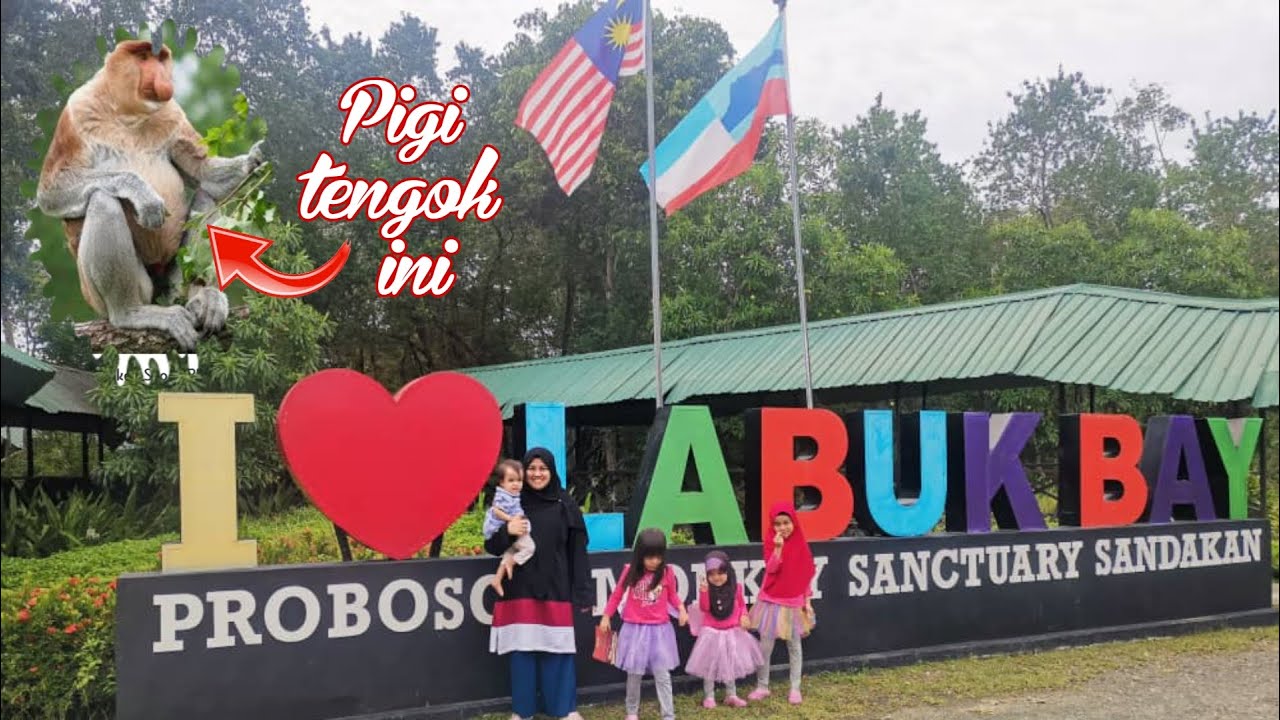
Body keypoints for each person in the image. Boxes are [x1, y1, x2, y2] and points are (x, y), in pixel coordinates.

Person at [485, 448, 591, 720]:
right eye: (531, 468)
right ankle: (523, 711)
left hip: (556, 588)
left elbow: (578, 551)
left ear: (552, 471)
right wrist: (507, 531)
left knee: (558, 649)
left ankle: (564, 709)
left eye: (542, 468)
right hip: (519, 589)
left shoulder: (565, 504)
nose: (536, 474)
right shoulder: (513, 503)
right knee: (522, 651)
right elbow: (492, 545)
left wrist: (583, 590)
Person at [599, 528, 688, 720]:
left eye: (658, 557)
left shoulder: (667, 572)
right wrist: (606, 616)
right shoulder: (630, 571)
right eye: (650, 557)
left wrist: (681, 609)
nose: (655, 561)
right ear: (640, 554)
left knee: (662, 675)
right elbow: (617, 595)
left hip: (660, 631)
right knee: (634, 674)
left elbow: (673, 595)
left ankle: (668, 714)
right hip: (635, 630)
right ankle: (632, 712)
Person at [747, 502, 816, 705]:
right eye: (777, 524)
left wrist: (807, 601)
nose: (782, 527)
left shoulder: (801, 543)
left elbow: (805, 575)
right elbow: (771, 569)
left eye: (786, 522)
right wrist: (778, 549)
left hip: (793, 603)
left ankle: (795, 688)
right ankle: (762, 686)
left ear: (794, 522)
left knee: (794, 646)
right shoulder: (771, 541)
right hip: (770, 600)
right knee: (765, 646)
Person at [684, 550, 763, 709]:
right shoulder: (707, 589)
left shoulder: (736, 588)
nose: (716, 577)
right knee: (709, 665)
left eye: (720, 573)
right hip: (712, 633)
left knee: (730, 663)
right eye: (712, 574)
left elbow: (741, 605)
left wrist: (744, 616)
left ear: (728, 571)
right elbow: (705, 608)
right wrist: (704, 591)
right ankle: (709, 696)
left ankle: (731, 694)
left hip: (731, 631)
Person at [484, 459, 535, 596]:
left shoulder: (514, 495)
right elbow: (496, 510)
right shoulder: (503, 495)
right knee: (529, 548)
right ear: (502, 482)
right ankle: (512, 562)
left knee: (510, 552)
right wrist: (510, 521)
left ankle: (497, 579)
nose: (516, 484)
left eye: (519, 480)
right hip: (508, 530)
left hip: (513, 533)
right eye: (511, 480)